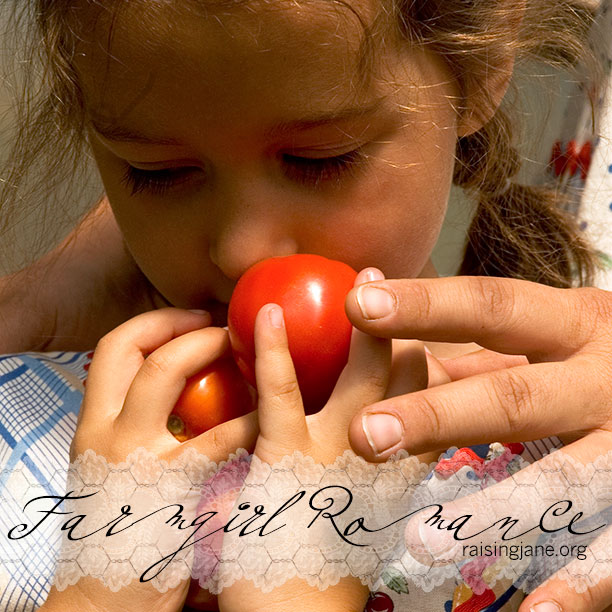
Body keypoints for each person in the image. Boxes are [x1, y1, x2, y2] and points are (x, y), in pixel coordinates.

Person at [1, 0, 612, 610]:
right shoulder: (32, 435)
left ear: (480, 72)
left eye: (319, 159)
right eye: (156, 171)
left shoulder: (573, 459)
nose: (242, 251)